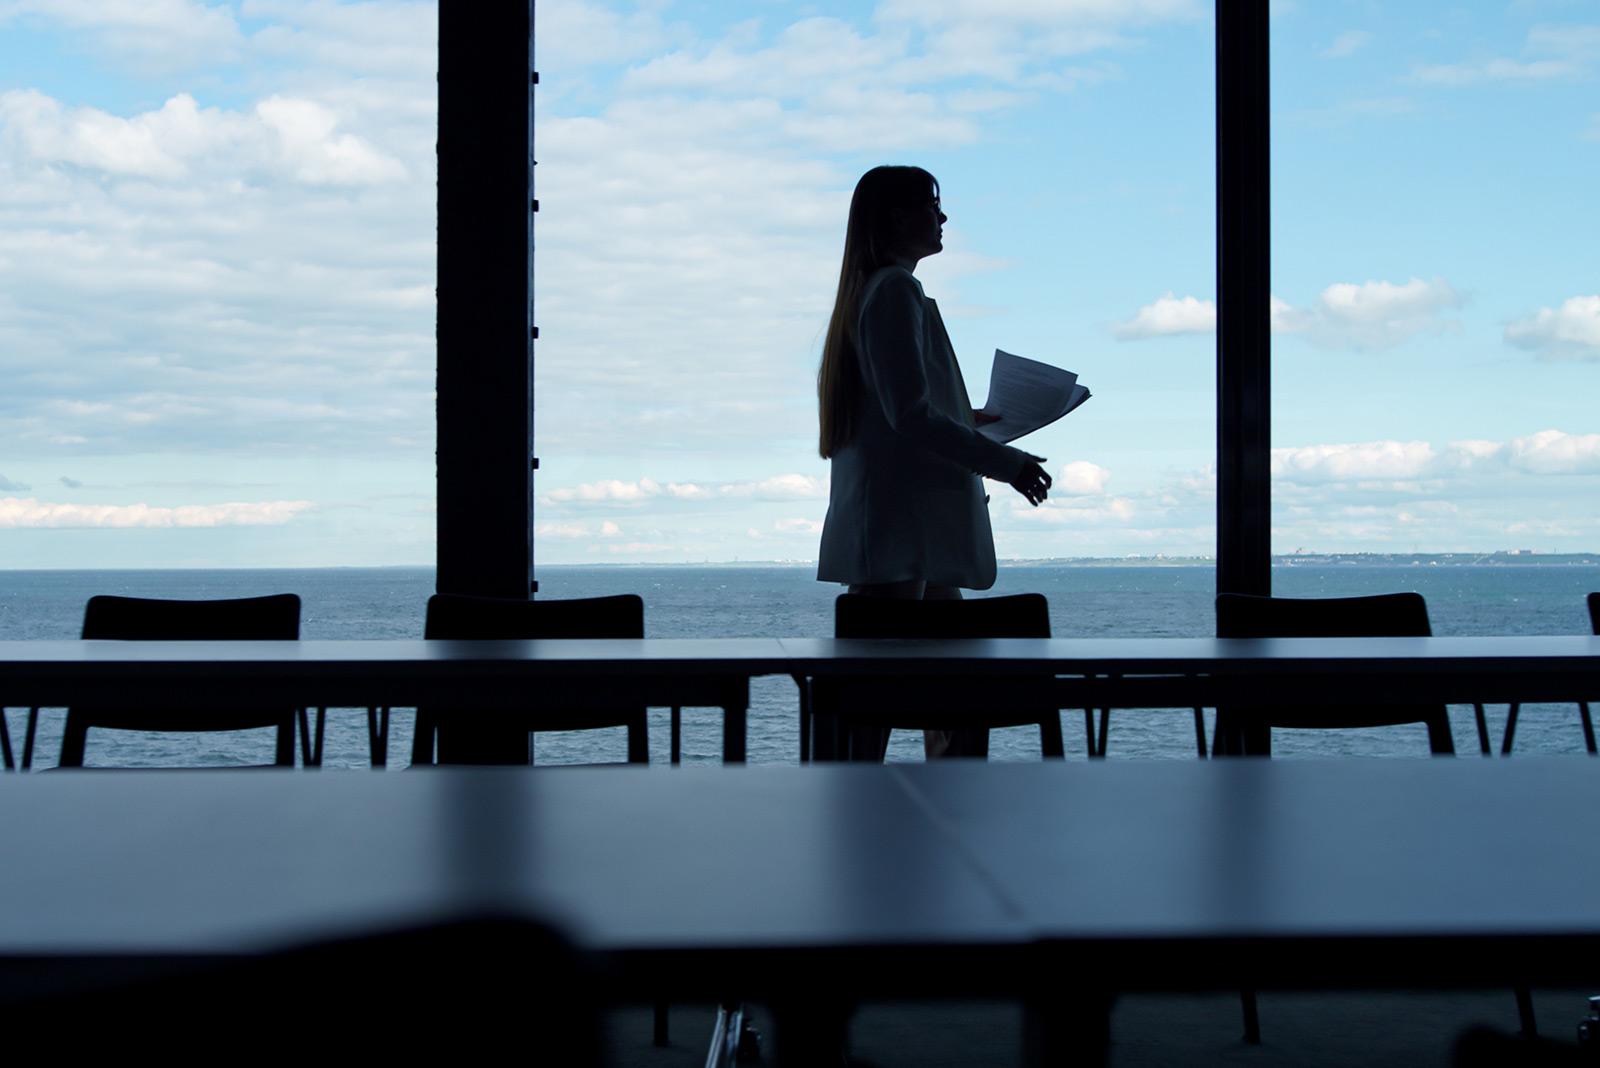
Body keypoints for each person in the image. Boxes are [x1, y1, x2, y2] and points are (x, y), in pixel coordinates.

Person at [815, 164, 1052, 760]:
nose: (942, 217)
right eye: (931, 204)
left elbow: (896, 410)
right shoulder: (896, 290)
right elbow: (912, 415)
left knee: (894, 712)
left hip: (900, 535)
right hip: (908, 536)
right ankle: (927, 826)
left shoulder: (871, 292)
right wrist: (1010, 463)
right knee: (922, 709)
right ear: (897, 216)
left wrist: (963, 416)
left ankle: (872, 828)